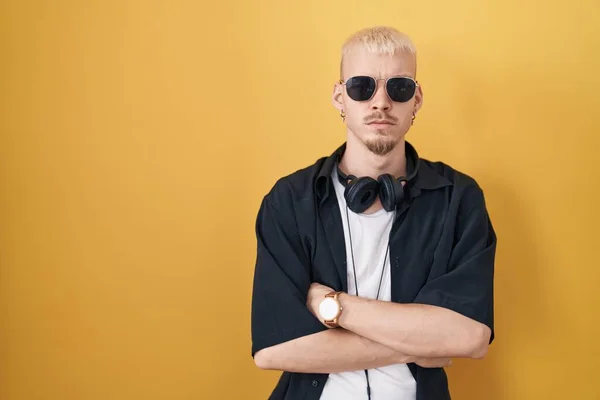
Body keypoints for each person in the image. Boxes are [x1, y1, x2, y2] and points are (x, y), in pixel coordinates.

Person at [250, 26, 496, 400]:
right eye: (362, 86)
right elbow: (274, 349)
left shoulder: (457, 198)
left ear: (416, 99)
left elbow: (470, 336)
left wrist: (333, 306)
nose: (380, 102)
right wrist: (422, 342)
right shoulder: (289, 200)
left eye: (398, 87)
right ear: (339, 97)